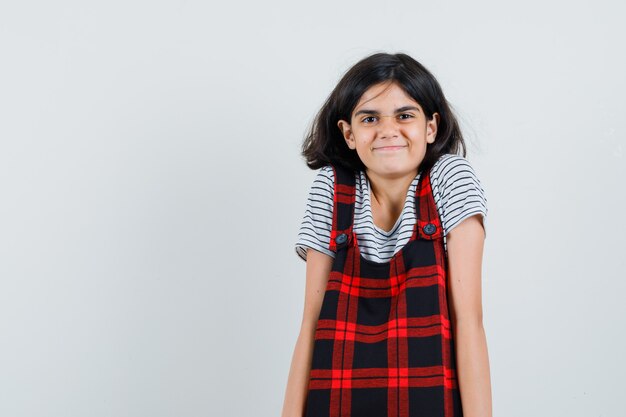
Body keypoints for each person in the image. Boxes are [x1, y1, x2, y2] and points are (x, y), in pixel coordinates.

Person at [281, 52, 492, 417]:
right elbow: (310, 323)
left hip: (428, 403)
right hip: (334, 401)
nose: (388, 129)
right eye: (370, 118)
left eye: (405, 115)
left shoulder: (450, 178)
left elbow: (468, 320)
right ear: (349, 133)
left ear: (431, 127)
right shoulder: (330, 188)